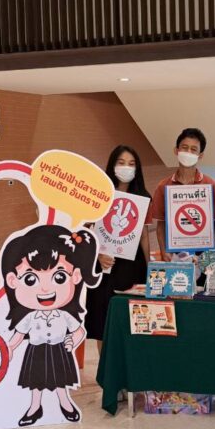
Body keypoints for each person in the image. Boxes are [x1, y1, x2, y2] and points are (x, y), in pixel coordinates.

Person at [3, 224, 101, 427]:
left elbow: (79, 331)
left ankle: (65, 403)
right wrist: (9, 348)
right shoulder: (30, 317)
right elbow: (19, 334)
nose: (45, 288)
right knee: (35, 382)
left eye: (59, 277)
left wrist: (72, 341)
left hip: (59, 350)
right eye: (30, 279)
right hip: (36, 350)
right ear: (13, 281)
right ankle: (34, 407)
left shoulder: (64, 315)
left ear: (75, 276)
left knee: (61, 380)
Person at [84, 145, 149, 354]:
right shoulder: (99, 195)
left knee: (132, 318)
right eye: (121, 163)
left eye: (131, 164)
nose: (126, 167)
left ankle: (129, 367)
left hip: (132, 265)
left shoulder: (142, 196)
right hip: (103, 263)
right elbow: (85, 229)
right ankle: (105, 369)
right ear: (112, 165)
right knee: (102, 321)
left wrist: (150, 267)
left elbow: (144, 235)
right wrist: (97, 255)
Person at [146, 127, 215, 260]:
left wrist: (208, 251)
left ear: (200, 155)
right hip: (174, 254)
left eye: (193, 149)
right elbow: (161, 224)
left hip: (202, 254)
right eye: (184, 148)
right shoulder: (163, 186)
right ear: (176, 150)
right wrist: (163, 251)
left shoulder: (211, 185)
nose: (188, 152)